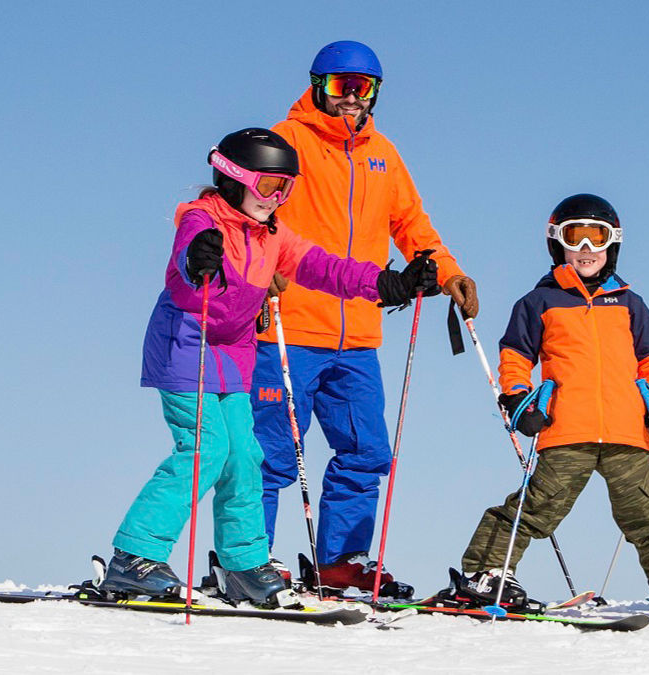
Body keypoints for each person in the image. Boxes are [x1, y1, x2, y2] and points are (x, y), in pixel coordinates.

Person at [96, 127, 437, 609]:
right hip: (186, 347)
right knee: (205, 449)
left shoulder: (273, 233)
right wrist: (198, 258)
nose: (277, 198)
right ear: (234, 179)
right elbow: (187, 251)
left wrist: (387, 283)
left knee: (245, 457)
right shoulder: (203, 218)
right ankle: (135, 555)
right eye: (269, 186)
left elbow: (325, 267)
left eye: (286, 188)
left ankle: (244, 566)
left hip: (233, 354)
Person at [256, 39, 477, 595]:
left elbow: (412, 226)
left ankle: (340, 564)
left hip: (357, 335)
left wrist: (447, 273)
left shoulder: (385, 154)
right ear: (316, 86)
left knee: (366, 452)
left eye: (362, 88)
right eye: (339, 86)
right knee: (273, 453)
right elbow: (253, 214)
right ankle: (247, 559)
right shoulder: (287, 142)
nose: (351, 98)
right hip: (288, 325)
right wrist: (258, 275)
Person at [439, 195, 649, 624]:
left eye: (595, 237)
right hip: (566, 426)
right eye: (574, 236)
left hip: (625, 430)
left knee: (647, 509)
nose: (585, 248)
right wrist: (519, 398)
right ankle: (488, 571)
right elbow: (514, 356)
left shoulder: (629, 303)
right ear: (556, 243)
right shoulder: (539, 302)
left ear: (612, 244)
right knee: (539, 504)